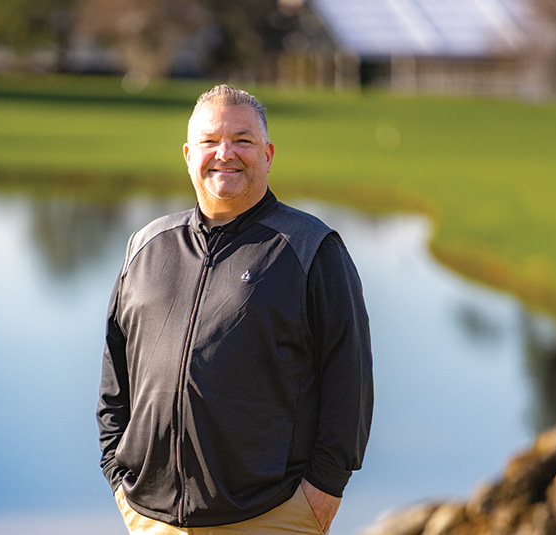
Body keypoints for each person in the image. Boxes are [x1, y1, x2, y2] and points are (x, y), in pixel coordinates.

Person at [97, 84, 373, 534]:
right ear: (189, 154)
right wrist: (117, 472)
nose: (225, 153)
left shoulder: (310, 247)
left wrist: (321, 493)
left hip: (270, 515)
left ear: (267, 154)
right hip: (152, 517)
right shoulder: (146, 246)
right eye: (210, 141)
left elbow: (350, 381)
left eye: (242, 140)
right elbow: (116, 372)